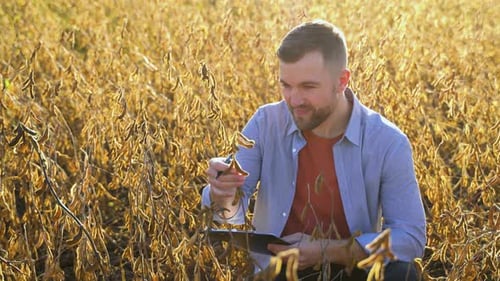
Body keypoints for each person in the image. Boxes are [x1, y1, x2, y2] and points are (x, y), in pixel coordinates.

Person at [202, 20, 426, 281]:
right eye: (286, 85)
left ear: (342, 81)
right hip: (279, 273)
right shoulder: (265, 123)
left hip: (355, 270)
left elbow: (409, 238)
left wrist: (332, 251)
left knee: (403, 274)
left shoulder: (387, 141)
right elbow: (229, 218)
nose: (294, 100)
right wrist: (223, 194)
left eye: (308, 87)